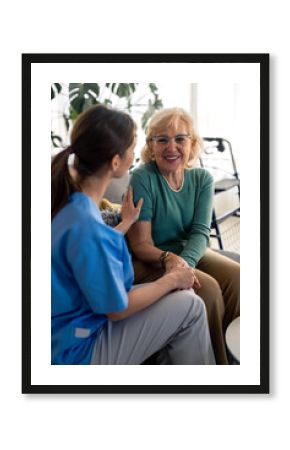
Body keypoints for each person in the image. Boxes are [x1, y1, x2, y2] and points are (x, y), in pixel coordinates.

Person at [51, 104, 215, 365]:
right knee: (191, 305)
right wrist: (171, 280)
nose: (136, 155)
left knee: (185, 299)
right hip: (77, 349)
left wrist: (125, 224)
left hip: (74, 326)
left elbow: (90, 254)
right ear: (116, 161)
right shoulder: (87, 225)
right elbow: (117, 309)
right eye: (132, 148)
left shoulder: (74, 207)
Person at [128, 107, 240, 365]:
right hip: (152, 259)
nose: (172, 147)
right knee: (208, 289)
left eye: (180, 138)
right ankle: (217, 369)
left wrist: (183, 264)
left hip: (187, 252)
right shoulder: (143, 177)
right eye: (162, 139)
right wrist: (171, 261)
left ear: (192, 143)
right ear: (151, 146)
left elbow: (201, 232)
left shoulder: (202, 178)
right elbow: (141, 244)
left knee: (238, 276)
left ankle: (234, 354)